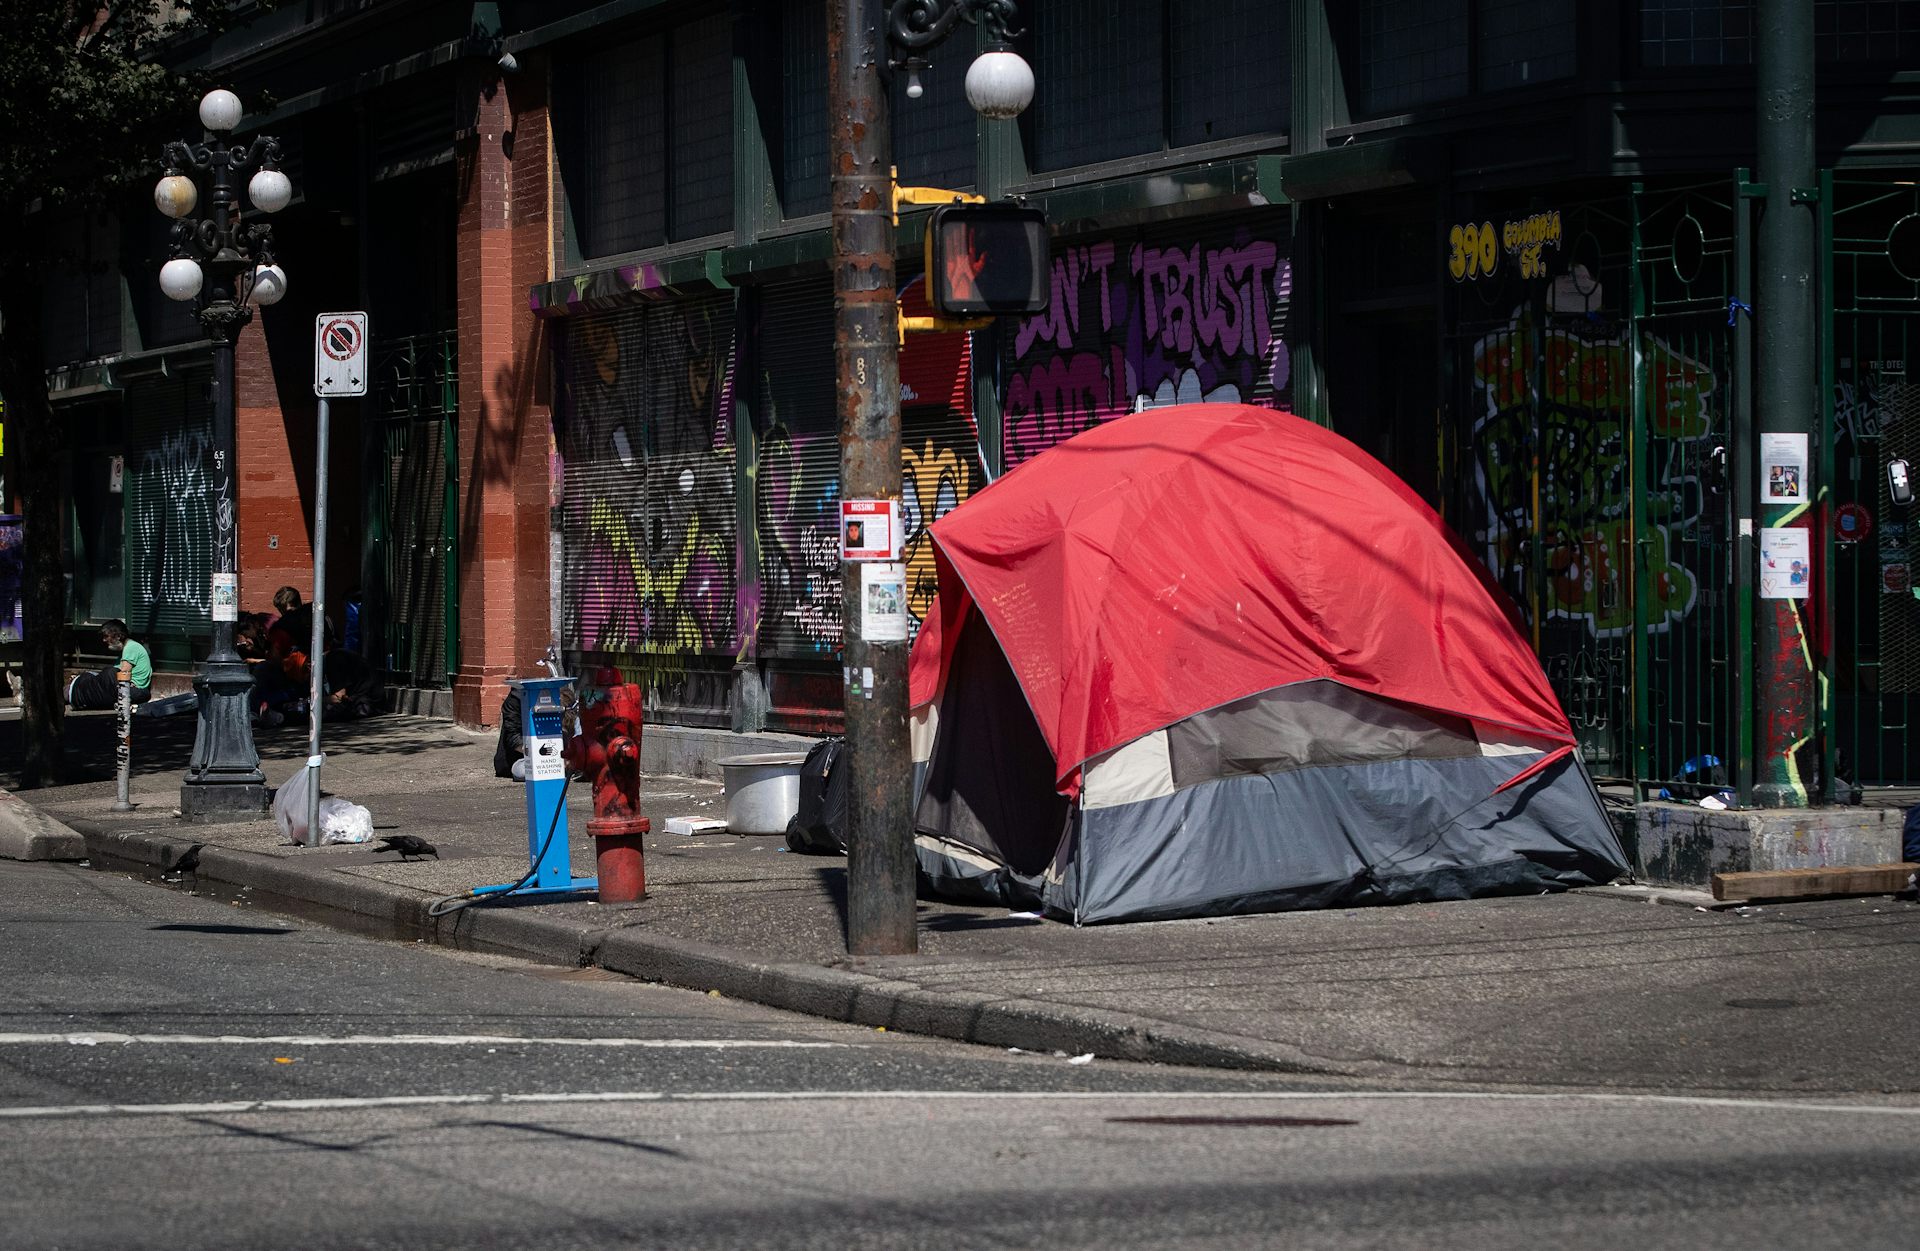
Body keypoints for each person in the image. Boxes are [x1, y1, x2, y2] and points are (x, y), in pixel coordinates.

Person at [66, 619, 152, 710]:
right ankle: (78, 693)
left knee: (108, 673)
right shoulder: (127, 650)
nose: (104, 640)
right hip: (126, 690)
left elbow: (123, 674)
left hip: (134, 691)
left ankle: (77, 693)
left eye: (106, 636)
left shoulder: (131, 647)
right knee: (93, 679)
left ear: (118, 636)